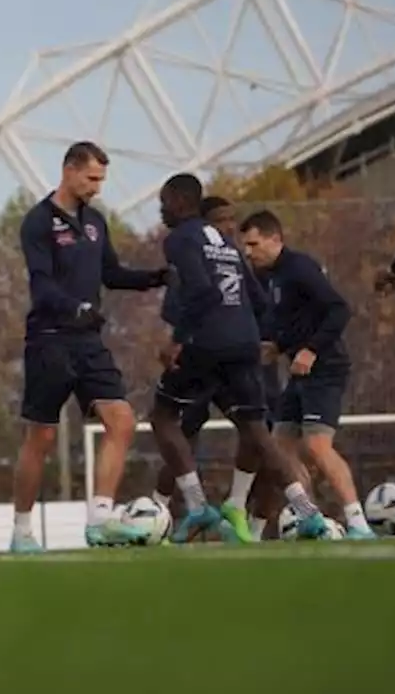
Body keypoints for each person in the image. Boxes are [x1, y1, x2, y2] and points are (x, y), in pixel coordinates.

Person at [10, 141, 173, 552]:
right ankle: (22, 531)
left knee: (121, 421)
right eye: (92, 178)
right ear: (68, 170)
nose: (97, 187)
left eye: (101, 179)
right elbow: (42, 285)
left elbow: (113, 274)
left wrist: (157, 278)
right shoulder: (38, 222)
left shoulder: (96, 221)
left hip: (88, 342)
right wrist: (75, 307)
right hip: (49, 341)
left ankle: (99, 520)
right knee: (41, 438)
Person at [151, 175, 329, 543]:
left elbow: (200, 291)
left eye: (164, 202)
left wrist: (178, 340)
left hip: (207, 344)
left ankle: (197, 505)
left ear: (179, 201)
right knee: (256, 431)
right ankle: (307, 512)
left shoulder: (181, 239)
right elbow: (260, 301)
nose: (161, 210)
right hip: (244, 345)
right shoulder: (229, 247)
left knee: (164, 417)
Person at [150, 194, 283, 541]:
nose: (230, 228)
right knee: (184, 432)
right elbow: (175, 308)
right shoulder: (203, 256)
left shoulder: (236, 257)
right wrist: (187, 332)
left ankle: (239, 511)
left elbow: (261, 305)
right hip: (204, 355)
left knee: (258, 432)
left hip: (230, 356)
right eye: (222, 220)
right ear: (205, 222)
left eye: (232, 220)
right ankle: (158, 511)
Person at [240, 209, 376, 538]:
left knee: (316, 446)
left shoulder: (300, 268)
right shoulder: (263, 277)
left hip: (326, 367)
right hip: (300, 373)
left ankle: (358, 523)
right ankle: (307, 516)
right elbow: (288, 319)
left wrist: (311, 349)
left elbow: (338, 309)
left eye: (254, 244)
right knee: (279, 448)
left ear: (275, 239)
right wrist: (276, 345)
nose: (248, 252)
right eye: (244, 245)